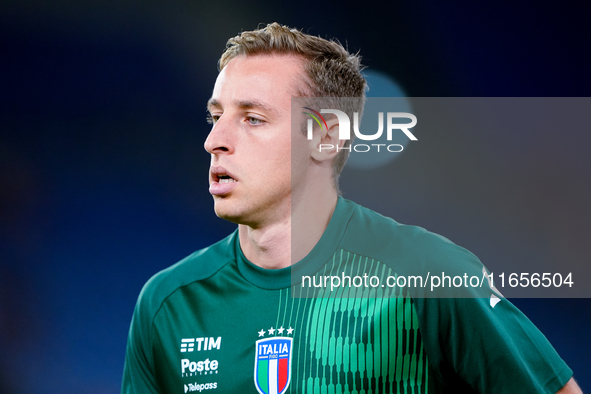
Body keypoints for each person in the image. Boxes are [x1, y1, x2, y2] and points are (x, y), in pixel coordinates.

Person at [122, 23, 582, 394]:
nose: (214, 140)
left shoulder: (426, 273)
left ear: (325, 137)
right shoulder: (168, 304)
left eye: (253, 118)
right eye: (215, 115)